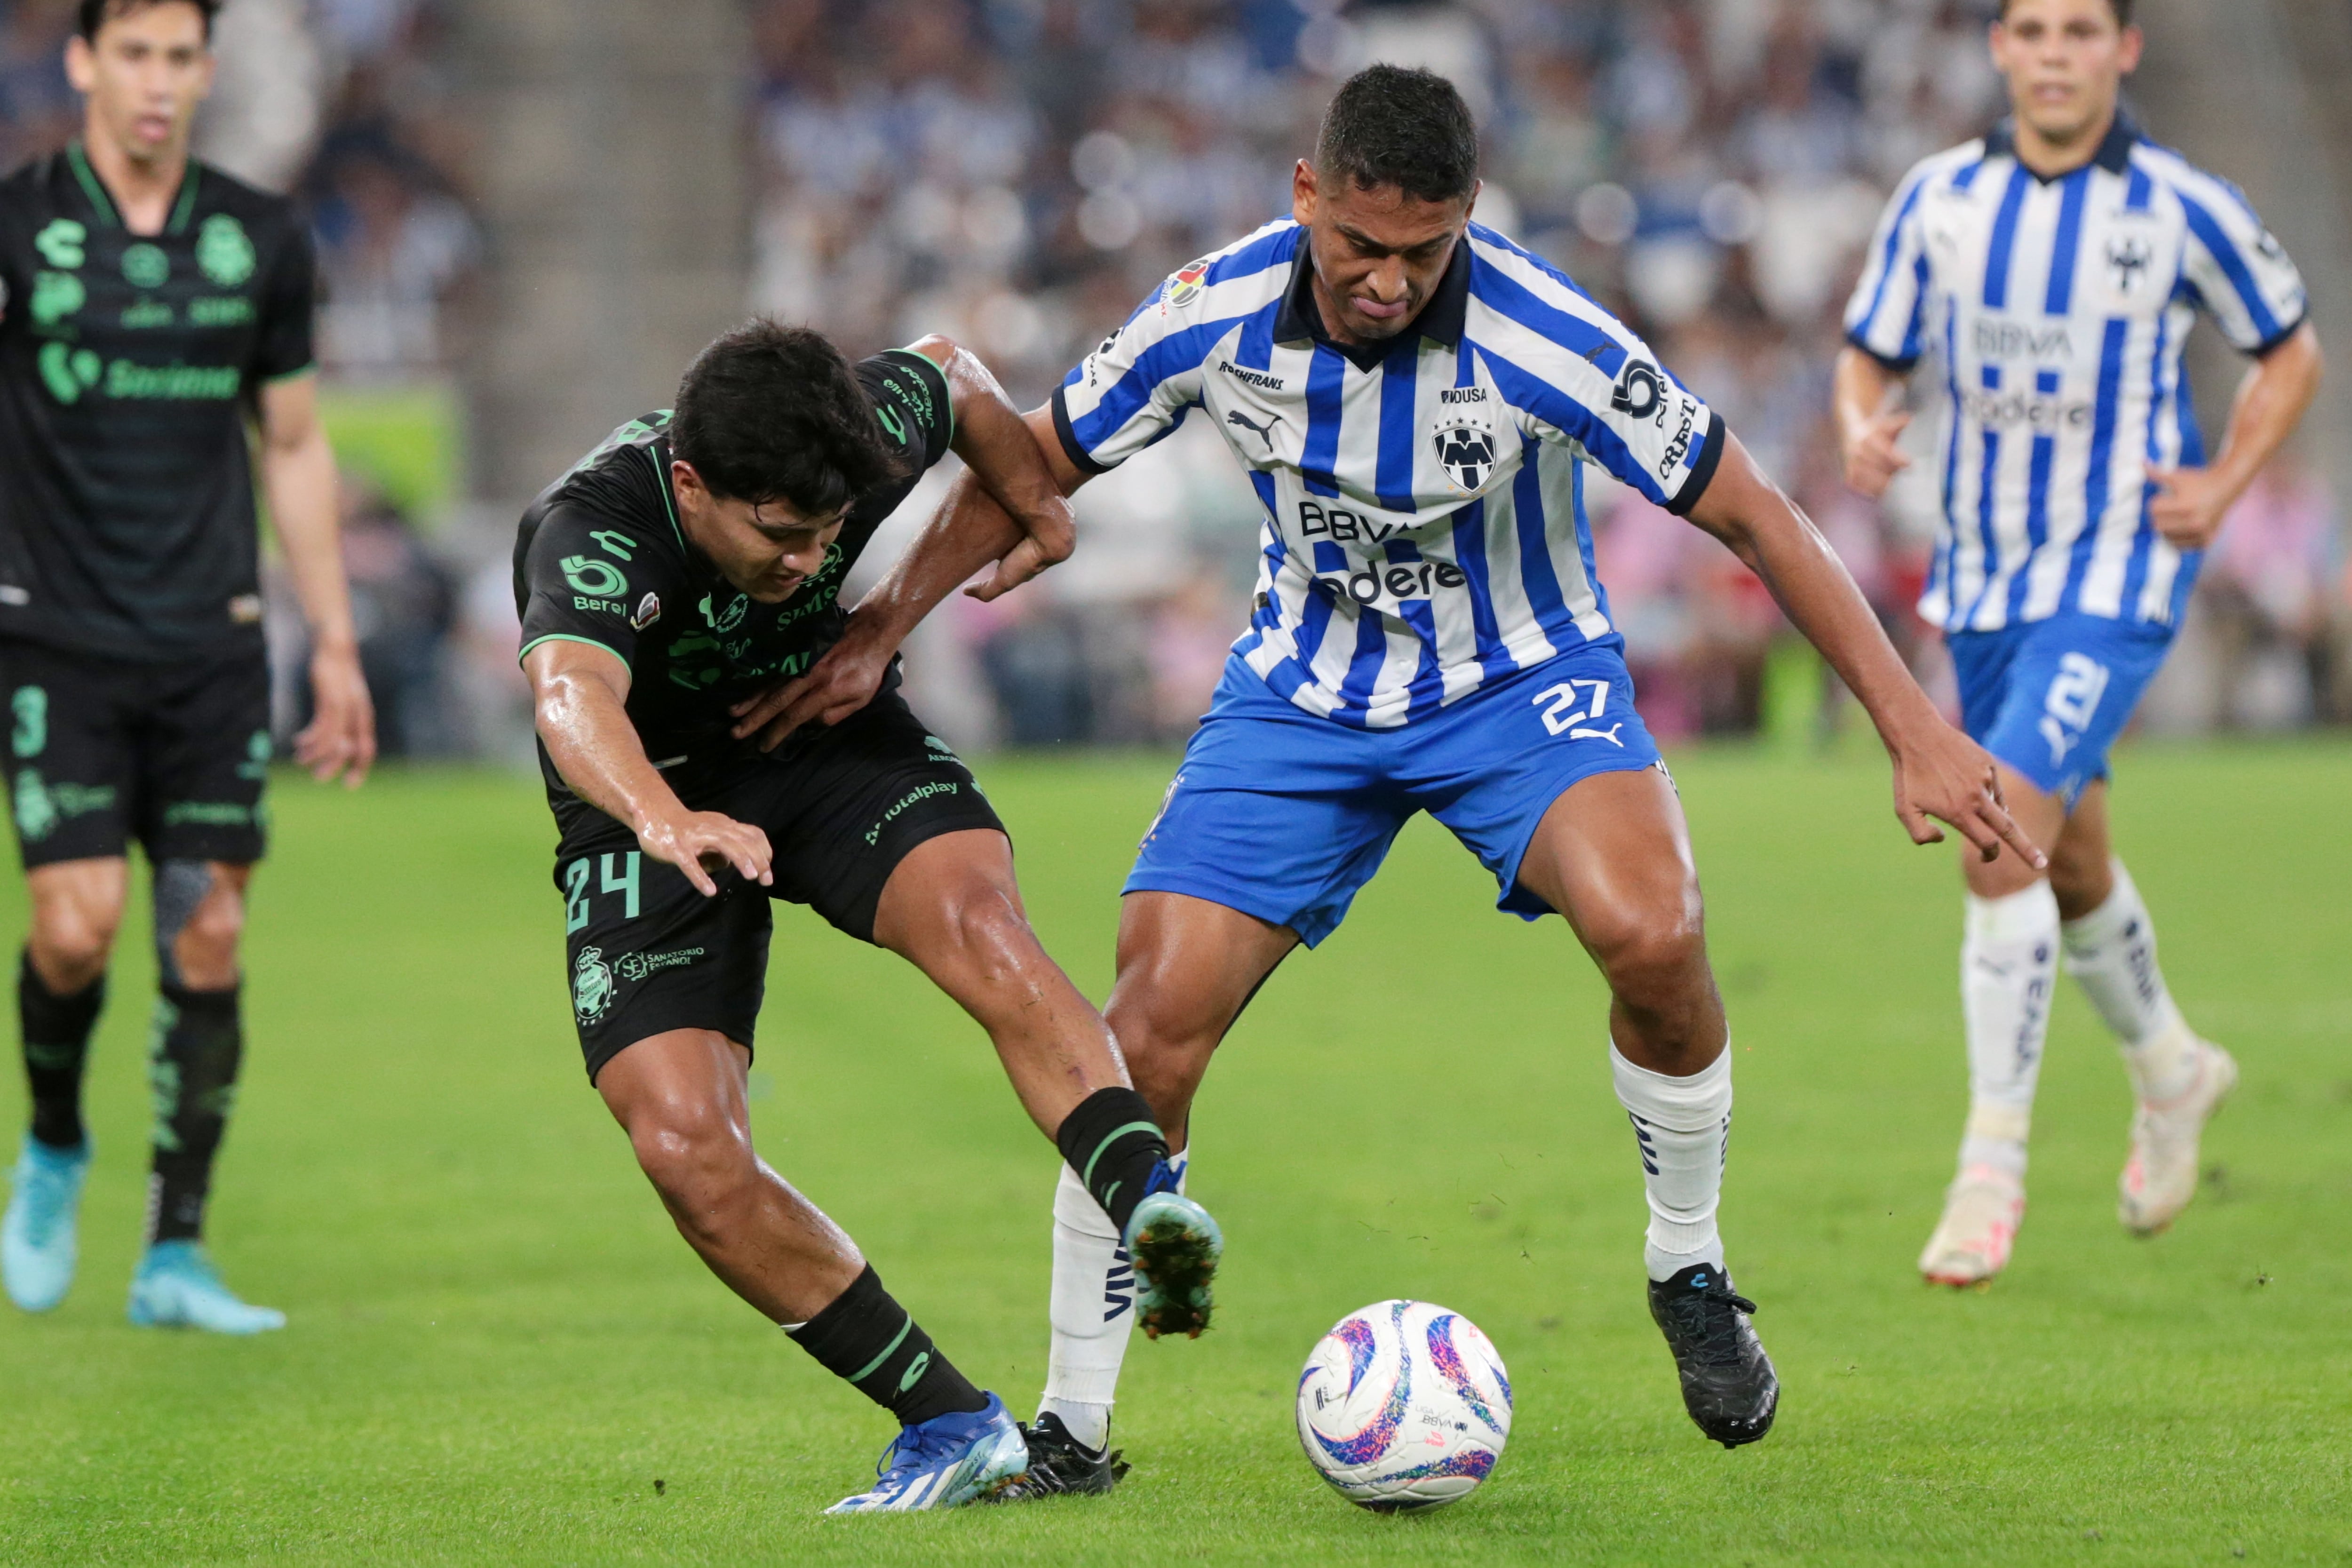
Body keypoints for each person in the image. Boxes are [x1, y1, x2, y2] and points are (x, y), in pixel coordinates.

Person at [735, 65, 2041, 1489]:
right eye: (1360, 245)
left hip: (1521, 682)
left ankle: (1689, 1265)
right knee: (1148, 1027)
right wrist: (876, 632)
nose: (1386, 281)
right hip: (1302, 702)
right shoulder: (1210, 310)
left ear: (1468, 218)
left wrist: (1912, 719)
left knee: (1656, 932)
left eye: (1424, 253)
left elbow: (1755, 511)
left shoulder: (1550, 336)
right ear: (1309, 194)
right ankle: (1075, 1428)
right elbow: (1036, 456)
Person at [513, 319, 1221, 1513]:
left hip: (823, 734)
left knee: (980, 921)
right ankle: (950, 1419)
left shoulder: (856, 423)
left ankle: (1148, 1197)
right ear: (692, 485)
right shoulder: (597, 527)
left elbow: (952, 372)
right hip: (655, 784)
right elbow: (570, 692)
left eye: (829, 533)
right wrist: (661, 815)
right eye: (780, 536)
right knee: (686, 1146)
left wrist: (1013, 522)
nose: (806, 561)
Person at [1836, 0, 2321, 1286]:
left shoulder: (2179, 207)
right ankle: (2172, 1069)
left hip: (2115, 570)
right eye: (2033, 30)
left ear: (2124, 51)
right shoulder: (1939, 200)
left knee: (1997, 828)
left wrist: (2221, 486)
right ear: (2000, 50)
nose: (2055, 53)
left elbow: (2290, 350)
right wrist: (1861, 424)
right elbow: (1867, 352)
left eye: (2080, 31)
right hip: (1983, 581)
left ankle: (1990, 1164)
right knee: (2070, 848)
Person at [0, 0, 375, 1333]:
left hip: (213, 645)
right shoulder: (18, 223)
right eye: (135, 55)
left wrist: (333, 641)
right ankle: (51, 1145)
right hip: (55, 637)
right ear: (86, 61)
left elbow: (292, 445)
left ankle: (175, 1250)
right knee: (77, 921)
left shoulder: (258, 238)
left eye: (180, 59)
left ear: (205, 73)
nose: (158, 84)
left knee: (209, 935)